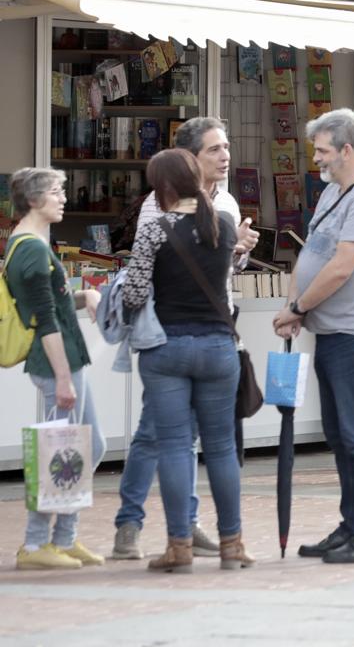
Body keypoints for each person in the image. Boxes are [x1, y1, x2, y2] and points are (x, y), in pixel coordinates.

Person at [113, 116, 257, 561]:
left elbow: (140, 283)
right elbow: (213, 260)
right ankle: (214, 536)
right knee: (190, 442)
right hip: (216, 342)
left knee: (175, 443)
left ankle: (180, 538)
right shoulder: (172, 211)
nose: (225, 156)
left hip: (169, 340)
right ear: (190, 161)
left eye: (226, 147)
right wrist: (234, 246)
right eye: (215, 149)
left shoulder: (217, 207)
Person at [278, 110, 354, 565]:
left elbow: (343, 266)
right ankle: (352, 525)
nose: (316, 157)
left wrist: (299, 307)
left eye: (323, 150)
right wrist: (295, 307)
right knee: (342, 435)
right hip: (331, 331)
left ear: (347, 150)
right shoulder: (333, 191)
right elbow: (312, 253)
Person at [7, 168, 106, 570]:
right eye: (55, 192)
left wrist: (85, 295)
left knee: (89, 445)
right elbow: (45, 320)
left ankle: (64, 538)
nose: (63, 198)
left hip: (67, 359)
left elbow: (55, 302)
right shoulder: (30, 249)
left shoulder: (32, 243)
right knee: (57, 453)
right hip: (55, 365)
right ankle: (35, 545)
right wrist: (63, 379)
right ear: (33, 200)